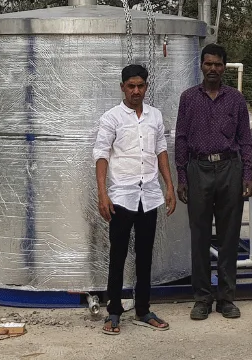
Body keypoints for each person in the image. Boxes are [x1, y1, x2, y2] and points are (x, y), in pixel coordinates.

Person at [92, 64, 177, 335]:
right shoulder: (112, 118)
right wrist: (102, 193)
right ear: (122, 87)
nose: (136, 91)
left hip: (148, 195)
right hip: (121, 196)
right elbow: (101, 154)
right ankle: (114, 311)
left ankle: (143, 310)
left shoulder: (155, 116)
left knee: (145, 256)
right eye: (131, 86)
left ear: (146, 87)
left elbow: (161, 150)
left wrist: (169, 186)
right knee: (117, 255)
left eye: (140, 86)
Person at [175, 43, 252, 321]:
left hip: (230, 168)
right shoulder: (188, 98)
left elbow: (245, 139)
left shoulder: (236, 99)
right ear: (201, 65)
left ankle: (226, 298)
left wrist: (247, 174)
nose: (213, 69)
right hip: (198, 168)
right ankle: (202, 298)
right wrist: (182, 176)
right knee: (199, 236)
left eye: (218, 64)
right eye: (208, 63)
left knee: (229, 236)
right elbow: (181, 138)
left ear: (224, 68)